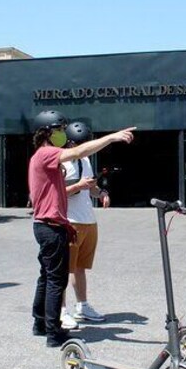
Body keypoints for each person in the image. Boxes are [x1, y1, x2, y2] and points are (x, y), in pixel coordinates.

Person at [28, 110, 135, 347]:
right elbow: (78, 151)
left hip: (49, 224)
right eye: (57, 130)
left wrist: (66, 224)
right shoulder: (47, 153)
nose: (61, 135)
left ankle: (40, 324)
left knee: (46, 277)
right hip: (50, 226)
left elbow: (54, 195)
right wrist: (112, 138)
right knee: (57, 280)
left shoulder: (40, 156)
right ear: (46, 132)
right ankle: (54, 333)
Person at [60, 121, 110, 330]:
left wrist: (101, 193)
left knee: (80, 268)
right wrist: (78, 186)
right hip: (70, 221)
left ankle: (82, 306)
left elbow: (90, 187)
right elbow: (57, 192)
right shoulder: (61, 162)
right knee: (63, 269)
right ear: (70, 142)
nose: (81, 147)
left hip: (89, 220)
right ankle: (61, 311)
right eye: (78, 143)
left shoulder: (86, 160)